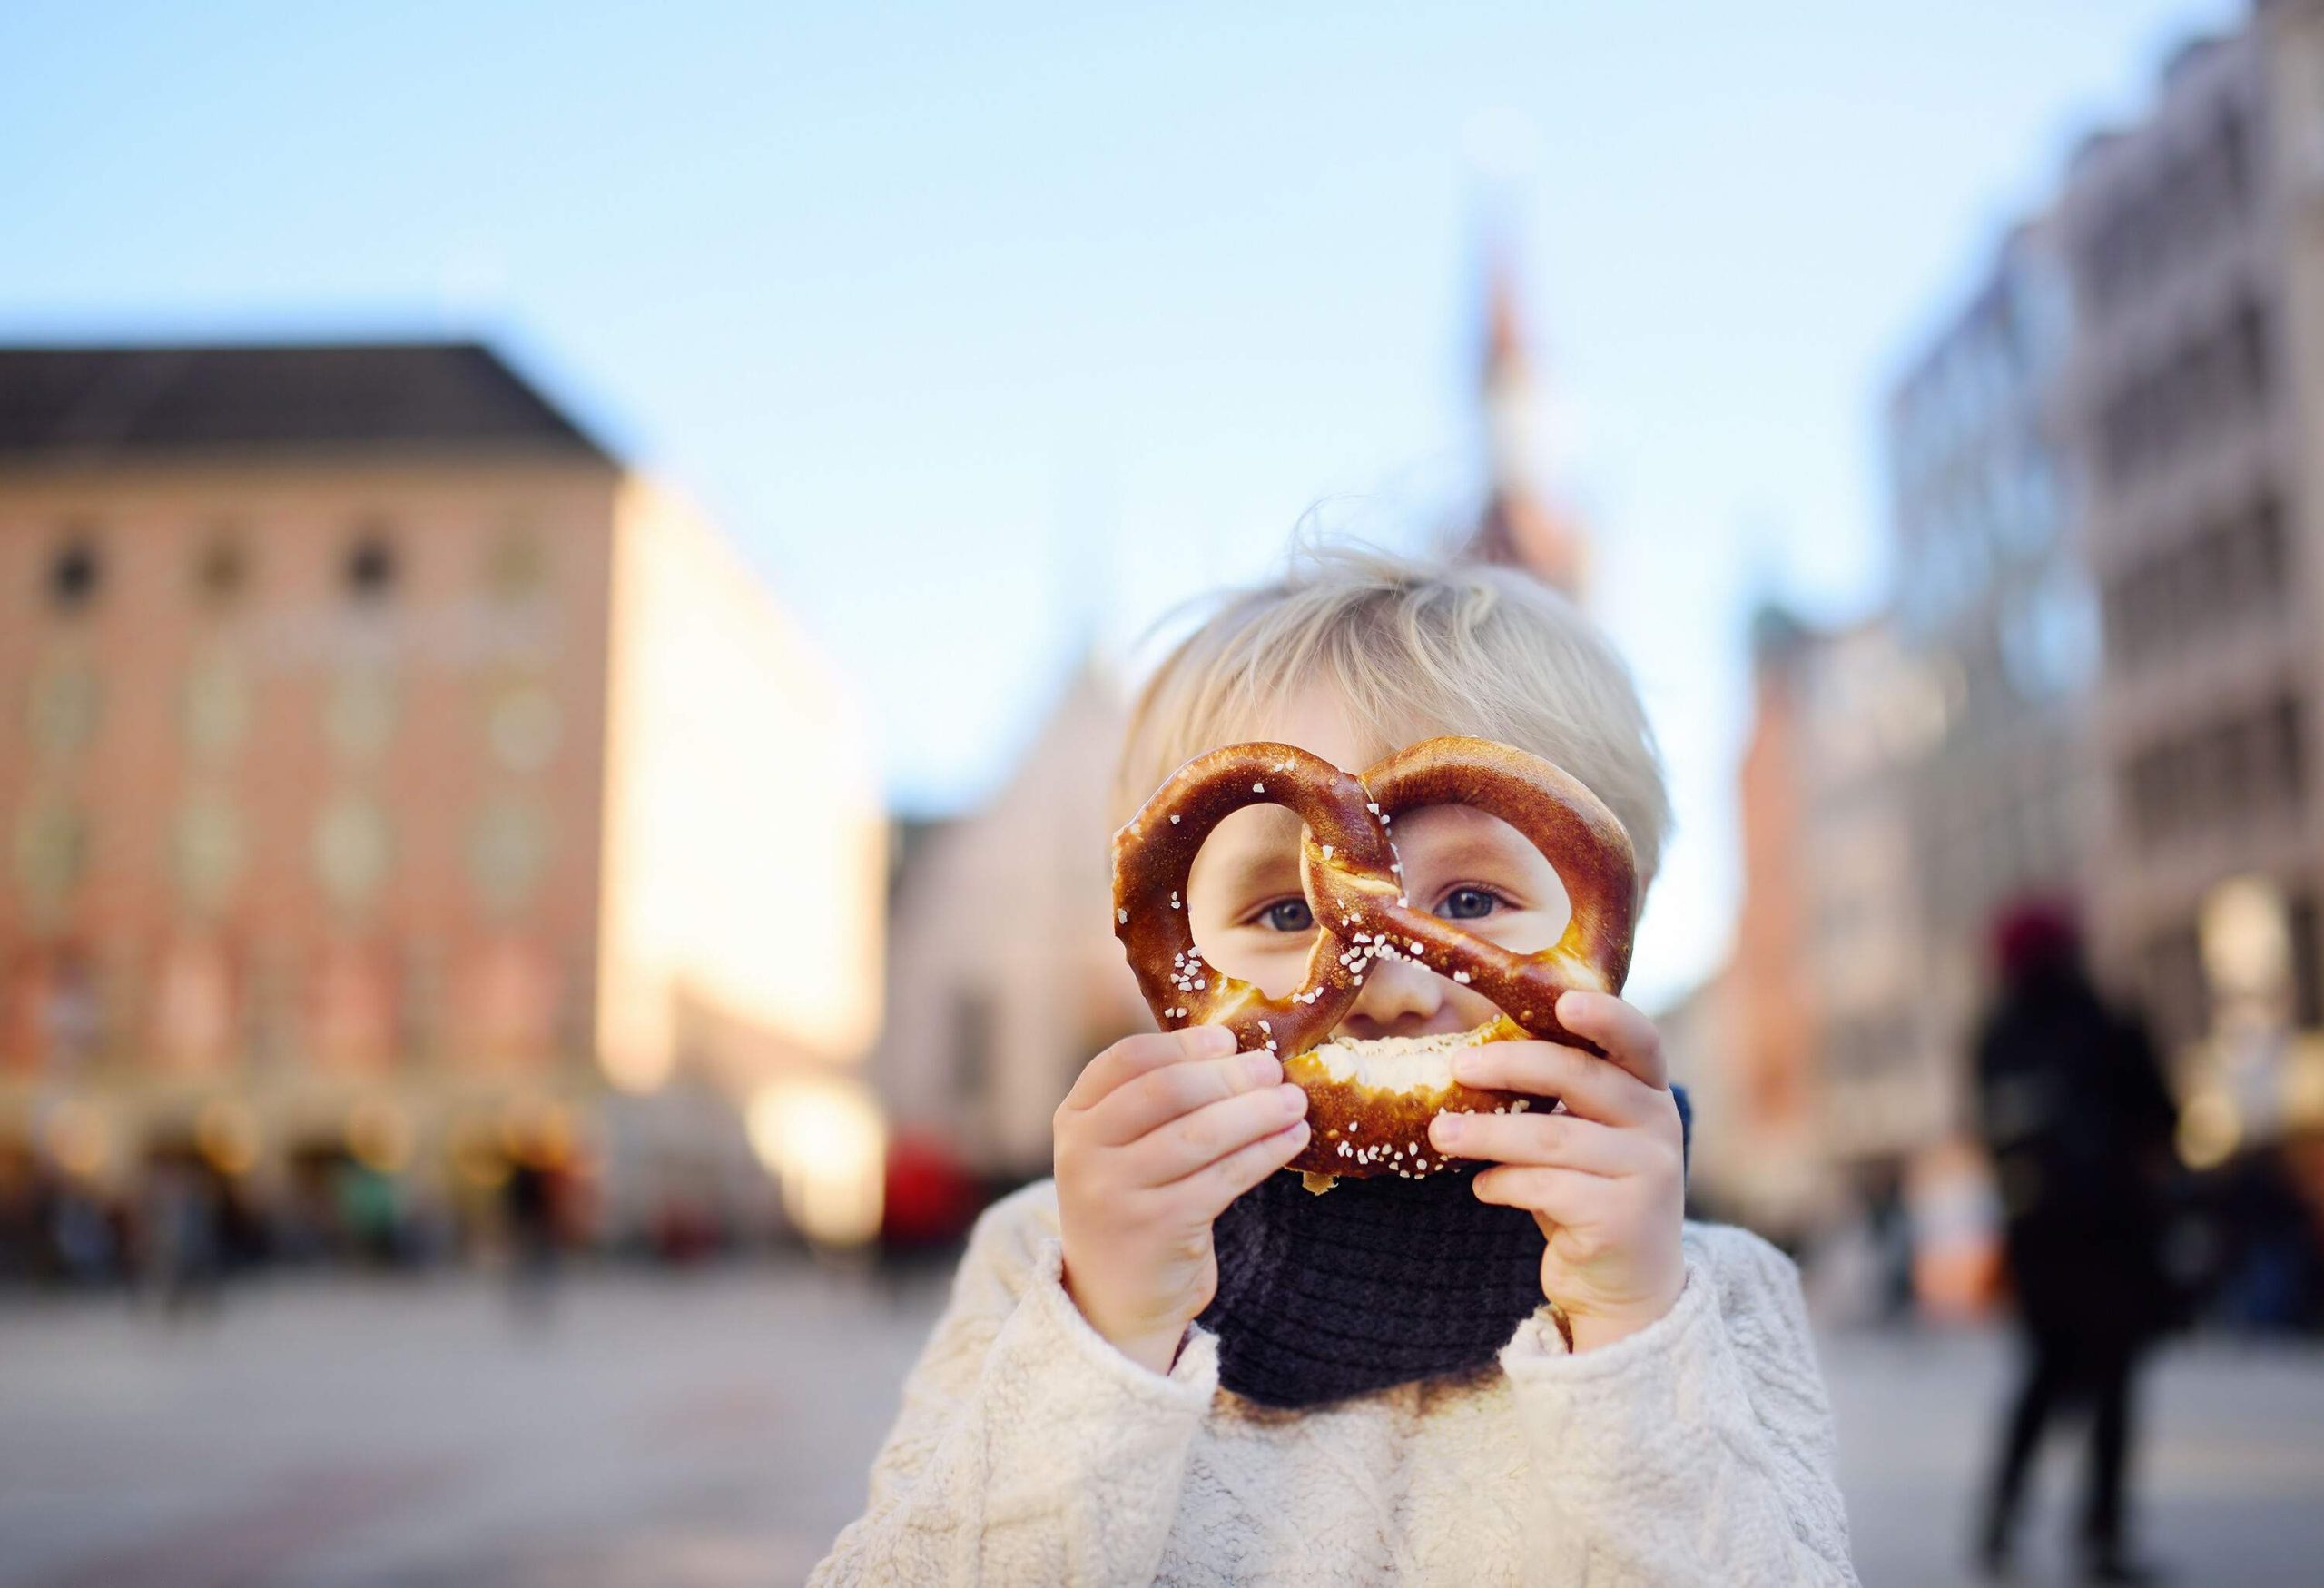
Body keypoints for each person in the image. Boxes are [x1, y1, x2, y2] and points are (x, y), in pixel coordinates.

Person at [813, 547, 1856, 1586]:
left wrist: (1629, 1332)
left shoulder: (1706, 1301)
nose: (1395, 986)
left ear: (1605, 930)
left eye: (1468, 903)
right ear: (1168, 940)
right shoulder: (1048, 1262)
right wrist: (1110, 1338)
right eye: (1282, 911)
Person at [1974, 900, 2178, 1583]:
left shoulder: (1996, 1036)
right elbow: (2160, 1116)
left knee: (2042, 1381)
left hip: (2042, 1242)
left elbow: (1992, 1136)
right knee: (2112, 1386)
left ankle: (1999, 1522)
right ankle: (2101, 1535)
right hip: (2112, 1234)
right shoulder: (2104, 1020)